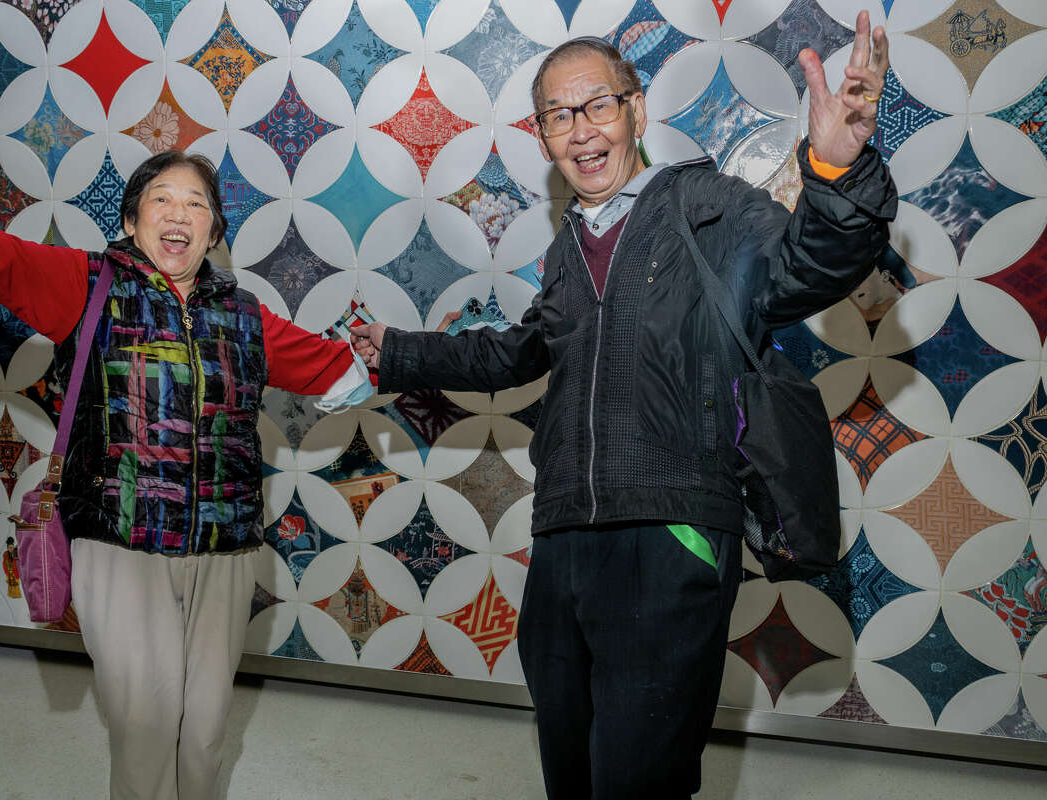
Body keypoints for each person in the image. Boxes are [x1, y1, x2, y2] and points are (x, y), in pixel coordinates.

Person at [351, 11, 896, 799]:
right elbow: (518, 351)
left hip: (672, 534)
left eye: (598, 105)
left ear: (636, 110)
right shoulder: (568, 250)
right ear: (542, 137)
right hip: (566, 536)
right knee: (572, 773)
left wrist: (837, 174)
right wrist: (398, 350)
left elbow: (806, 268)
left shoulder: (707, 205)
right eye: (558, 116)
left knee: (639, 780)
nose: (581, 130)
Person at [0, 26, 373, 800]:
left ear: (214, 233)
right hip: (120, 544)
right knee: (145, 725)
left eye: (196, 203)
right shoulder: (85, 284)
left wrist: (497, 351)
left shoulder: (245, 314)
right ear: (132, 221)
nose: (179, 213)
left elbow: (350, 371)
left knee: (206, 732)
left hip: (226, 551)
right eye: (161, 197)